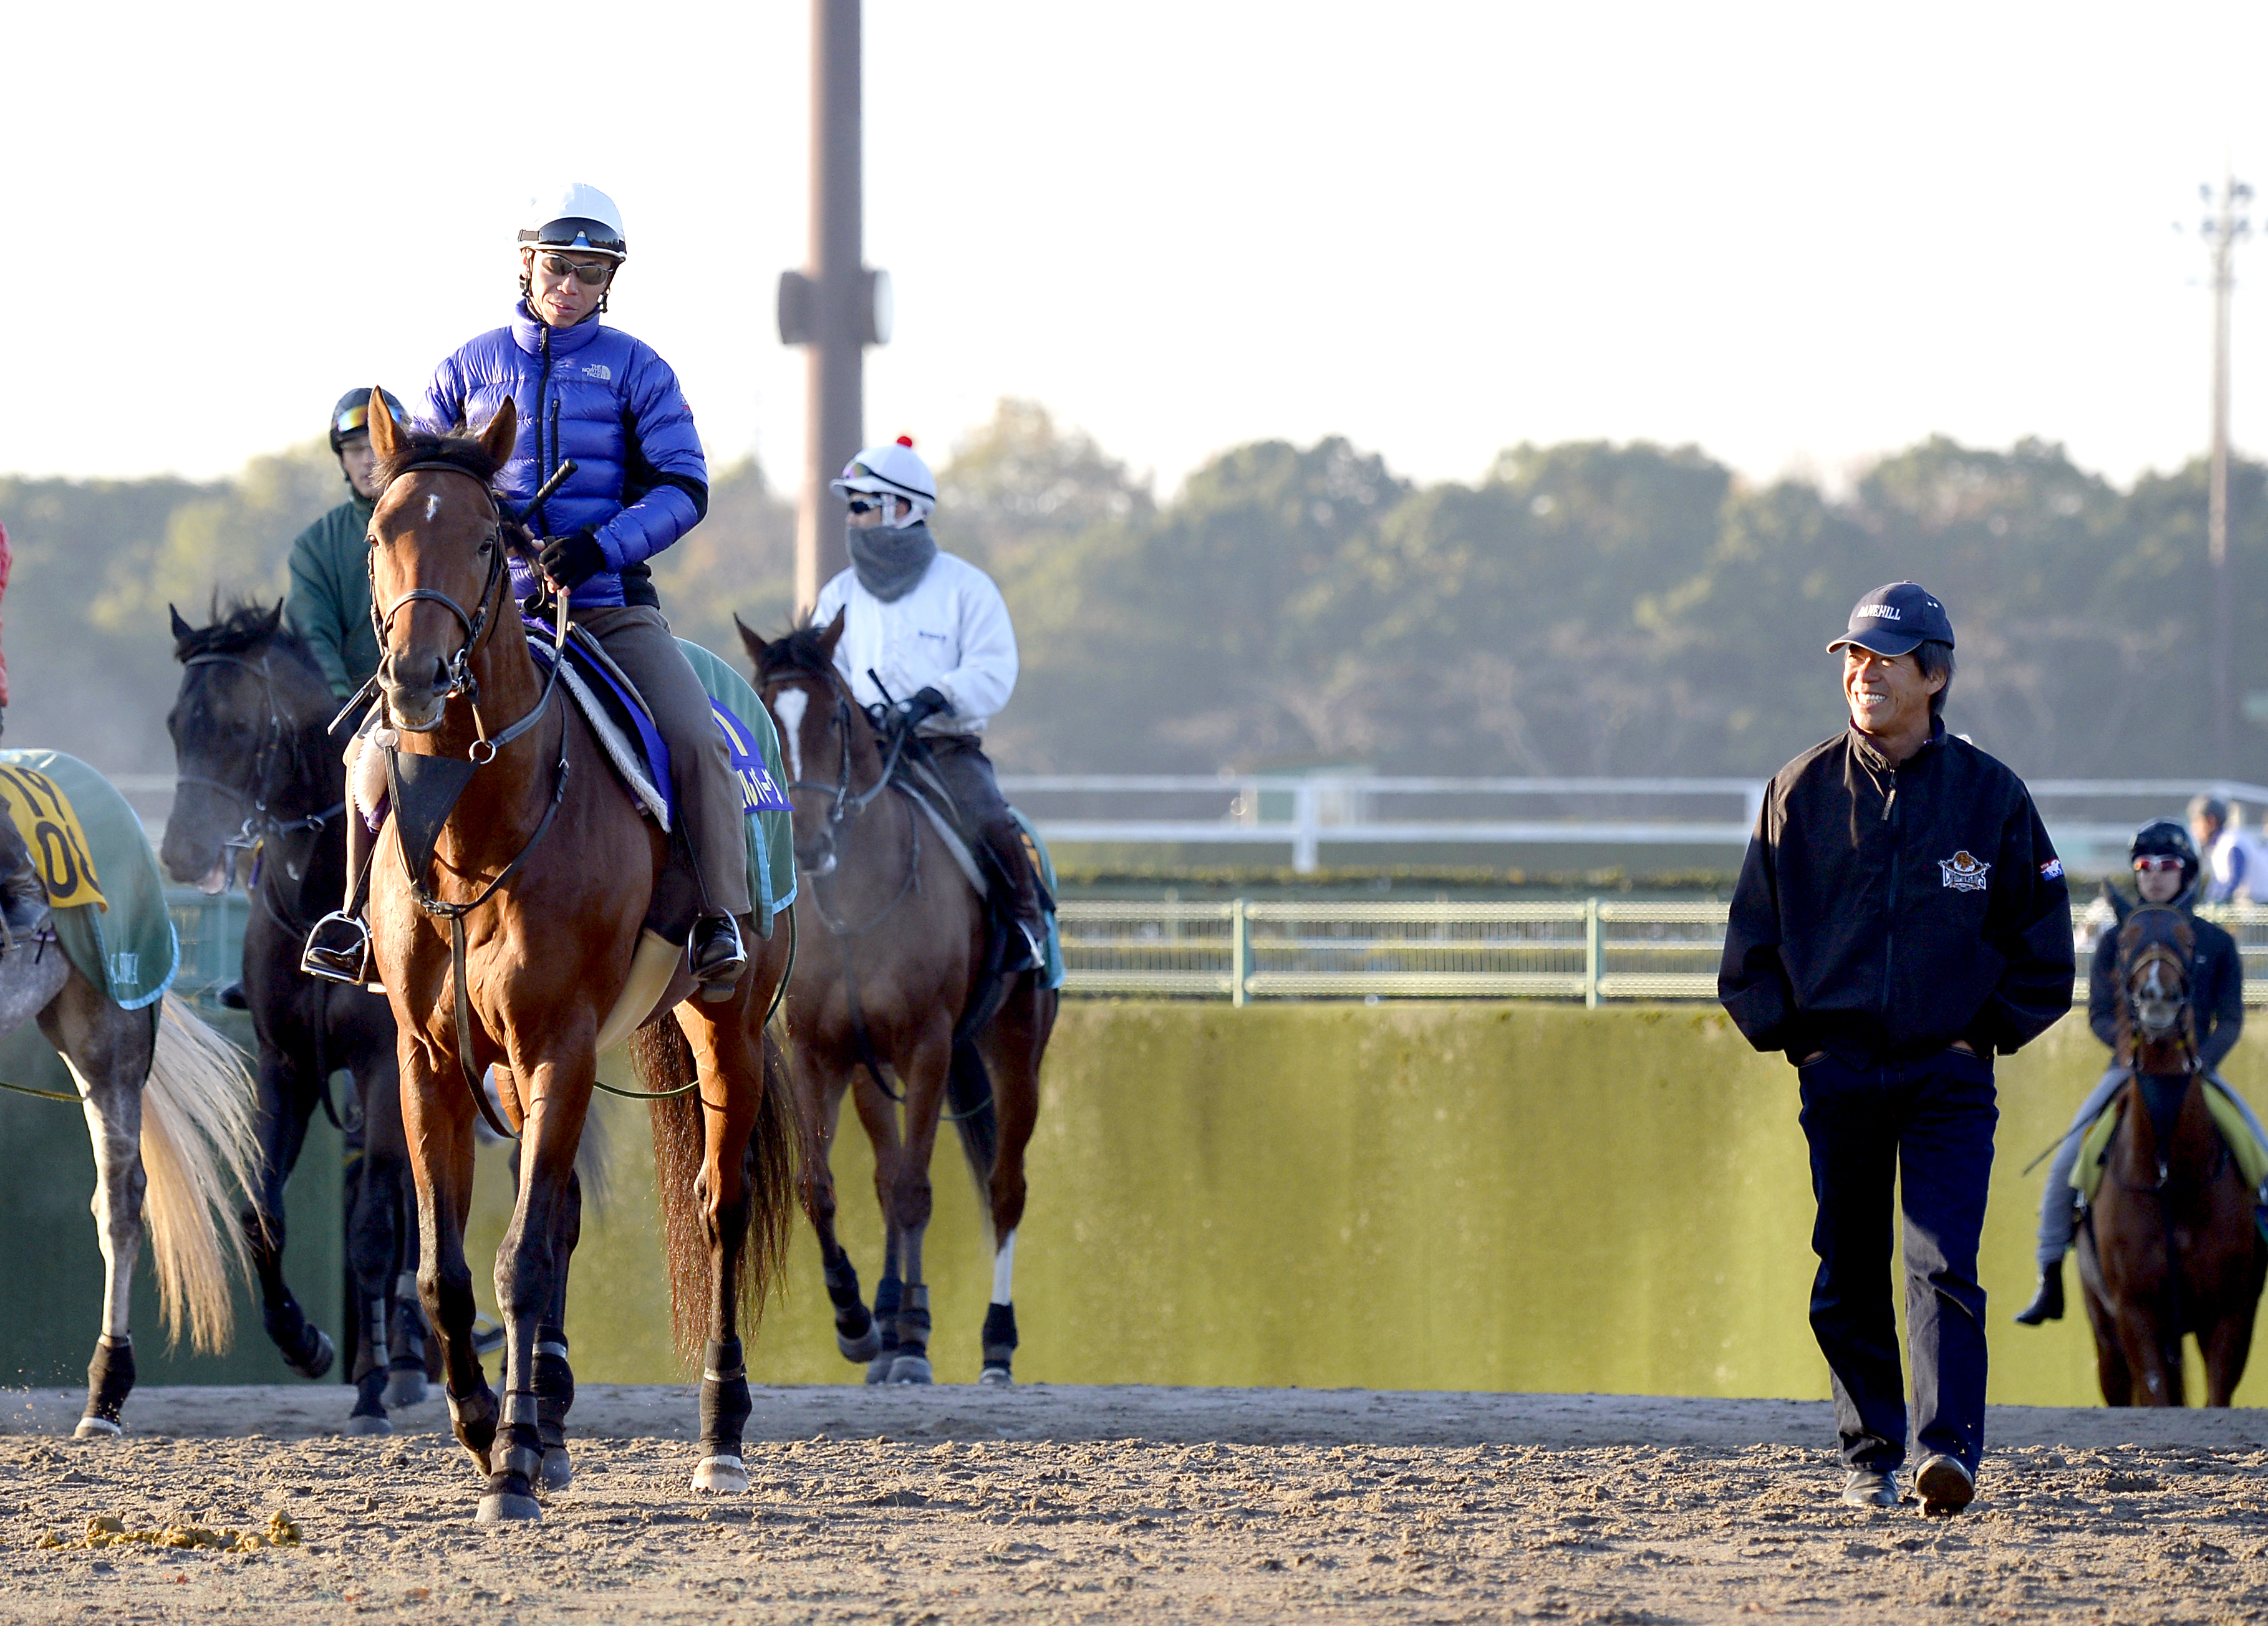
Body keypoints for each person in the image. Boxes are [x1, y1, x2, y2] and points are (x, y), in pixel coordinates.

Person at [302, 182, 748, 991]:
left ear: (608, 279)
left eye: (588, 270)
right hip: (479, 616)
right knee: (371, 749)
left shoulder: (638, 369)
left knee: (695, 739)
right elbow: (421, 482)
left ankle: (719, 921)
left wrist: (600, 546)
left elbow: (686, 487)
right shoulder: (463, 368)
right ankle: (354, 921)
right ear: (525, 263)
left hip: (605, 610)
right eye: (556, 266)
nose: (569, 284)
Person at [1719, 580, 2073, 1516]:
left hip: (1947, 1078)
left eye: (1885, 658)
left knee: (1941, 1259)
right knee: (1846, 1262)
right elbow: (1749, 948)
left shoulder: (1994, 799)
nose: (1864, 674)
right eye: (1854, 659)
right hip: (1838, 1075)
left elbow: (2046, 947)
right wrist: (1802, 1046)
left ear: (1935, 674)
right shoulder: (1793, 792)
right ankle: (1868, 1453)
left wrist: (1975, 1035)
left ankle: (1944, 1451)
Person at [2014, 819, 2264, 1325]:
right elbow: (2100, 1014)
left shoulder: (2215, 942)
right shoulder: (2113, 941)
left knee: (2259, 1155)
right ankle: (2048, 1278)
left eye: (2166, 866)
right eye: (2144, 867)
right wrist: (2127, 1050)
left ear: (2186, 873)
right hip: (2129, 1071)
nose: (2153, 875)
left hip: (2197, 1072)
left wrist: (2203, 1059)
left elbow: (2231, 1017)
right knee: (2066, 1164)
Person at [814, 435, 1046, 968]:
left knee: (991, 821)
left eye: (860, 507)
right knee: (800, 822)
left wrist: (933, 696)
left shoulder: (969, 588)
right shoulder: (837, 596)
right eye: (848, 508)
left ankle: (1026, 930)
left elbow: (994, 669)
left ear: (902, 509)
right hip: (861, 753)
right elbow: (824, 675)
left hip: (943, 750)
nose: (849, 520)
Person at [286, 390, 401, 704]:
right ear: (341, 460)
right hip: (359, 714)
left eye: (379, 445)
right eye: (354, 449)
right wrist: (341, 704)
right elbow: (313, 638)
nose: (368, 460)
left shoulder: (445, 525)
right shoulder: (314, 548)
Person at [2189, 795, 2262, 905]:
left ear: (2210, 821)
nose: (2194, 829)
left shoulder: (2232, 843)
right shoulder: (2224, 842)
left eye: (2197, 822)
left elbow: (2232, 885)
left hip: (2260, 907)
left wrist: (2209, 903)